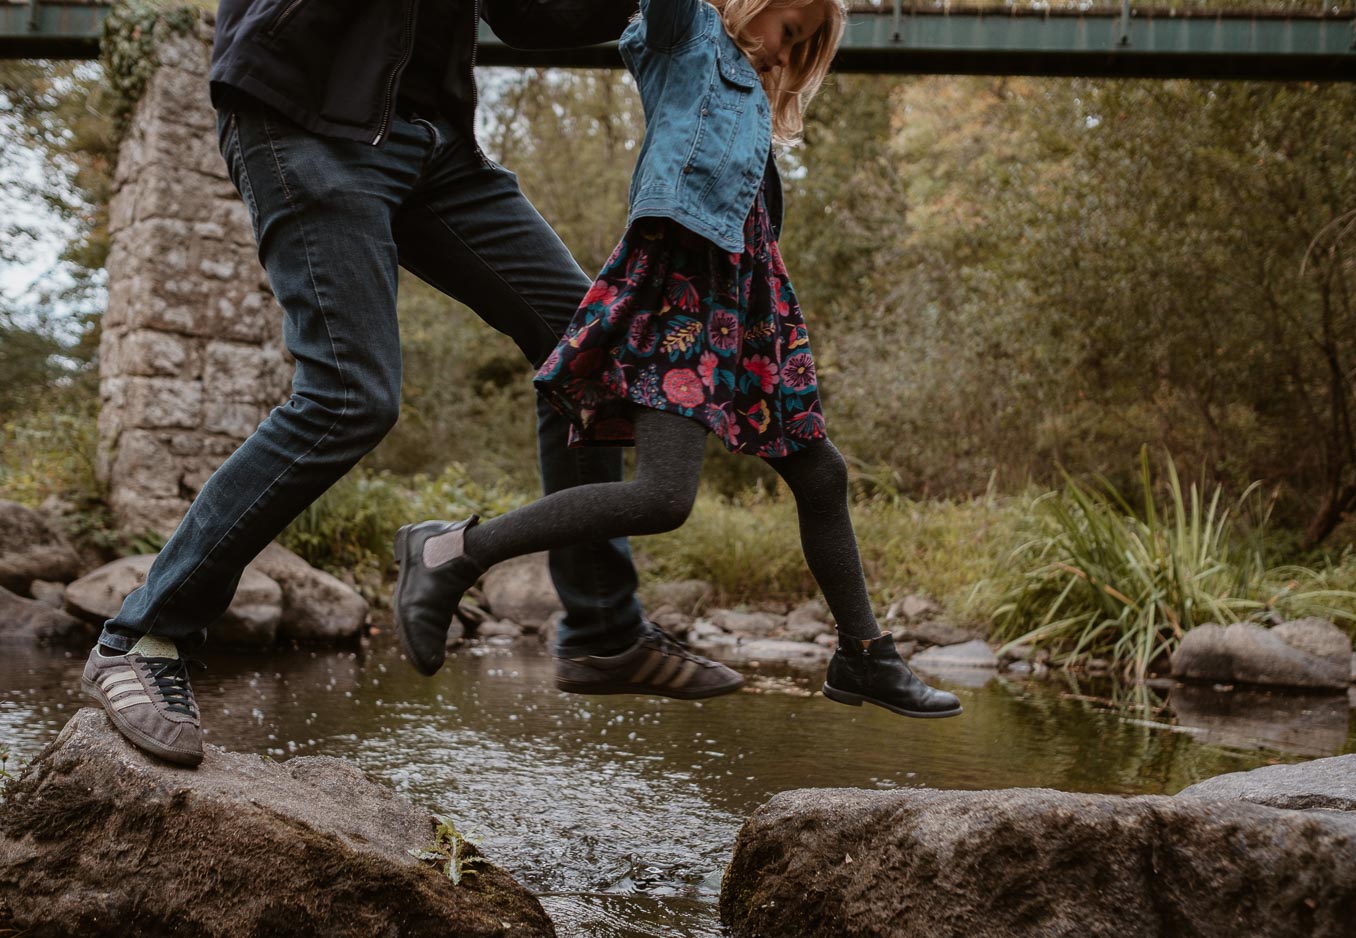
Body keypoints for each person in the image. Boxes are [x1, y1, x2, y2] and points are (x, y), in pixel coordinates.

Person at [81, 0, 745, 768]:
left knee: (588, 347)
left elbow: (525, 15)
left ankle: (601, 630)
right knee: (349, 397)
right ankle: (143, 636)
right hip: (305, 120)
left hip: (434, 143)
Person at [395, 0, 963, 719]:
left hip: (749, 298)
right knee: (663, 497)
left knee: (822, 472)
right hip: (684, 290)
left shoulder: (752, 89)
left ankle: (864, 657)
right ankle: (452, 553)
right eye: (787, 31)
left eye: (800, 48)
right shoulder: (683, 28)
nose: (783, 54)